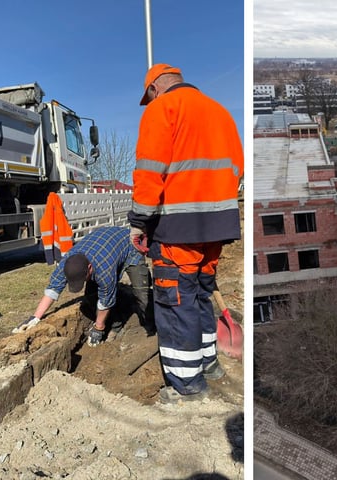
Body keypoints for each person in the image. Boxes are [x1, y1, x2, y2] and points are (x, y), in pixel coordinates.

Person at [129, 63, 243, 404]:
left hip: (177, 229)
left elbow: (150, 171)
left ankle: (186, 386)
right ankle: (209, 364)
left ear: (153, 89)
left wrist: (139, 222)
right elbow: (235, 167)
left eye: (147, 98)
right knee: (200, 295)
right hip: (216, 228)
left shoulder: (162, 109)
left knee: (175, 302)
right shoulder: (220, 111)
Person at [14, 226, 152, 346]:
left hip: (127, 245)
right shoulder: (67, 263)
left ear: (90, 268)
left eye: (83, 279)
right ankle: (116, 323)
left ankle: (146, 328)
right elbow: (52, 289)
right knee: (91, 297)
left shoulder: (104, 271)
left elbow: (105, 301)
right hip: (103, 248)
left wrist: (98, 328)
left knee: (141, 294)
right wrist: (35, 317)